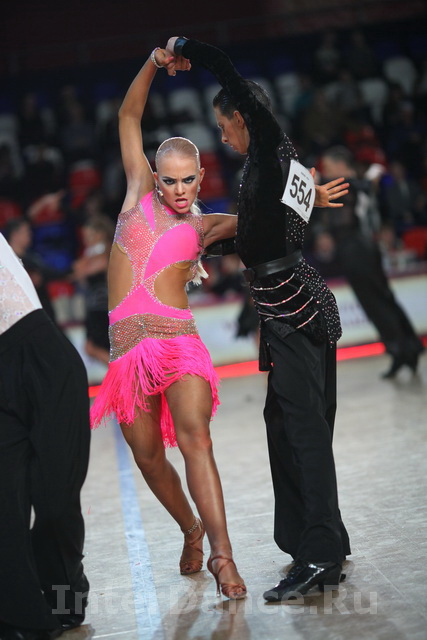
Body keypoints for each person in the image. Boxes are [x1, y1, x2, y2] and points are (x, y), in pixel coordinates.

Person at [167, 36, 351, 601]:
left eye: (225, 125)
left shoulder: (269, 145)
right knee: (290, 429)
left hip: (294, 312)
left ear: (244, 117)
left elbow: (231, 73)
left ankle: (320, 556)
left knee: (303, 434)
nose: (222, 136)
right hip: (295, 310)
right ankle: (317, 540)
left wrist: (183, 47)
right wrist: (202, 244)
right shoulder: (271, 166)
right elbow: (262, 236)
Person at [90, 47, 246, 600]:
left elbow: (265, 215)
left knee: (195, 438)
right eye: (171, 180)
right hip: (128, 355)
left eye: (189, 181)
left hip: (179, 344)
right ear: (156, 177)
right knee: (148, 456)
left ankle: (224, 556)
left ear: (201, 178)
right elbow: (128, 115)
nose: (180, 190)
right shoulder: (137, 193)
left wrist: (311, 200)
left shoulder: (206, 227)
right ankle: (191, 529)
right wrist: (153, 65)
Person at [0, 232, 90, 640]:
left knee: (55, 501)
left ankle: (65, 595)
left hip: (44, 360)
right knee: (6, 508)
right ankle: (21, 618)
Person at [318, 146, 424, 377]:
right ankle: (407, 347)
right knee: (382, 298)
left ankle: (401, 349)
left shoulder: (347, 183)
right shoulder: (352, 183)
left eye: (328, 166)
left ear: (341, 165)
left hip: (357, 249)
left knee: (375, 302)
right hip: (361, 248)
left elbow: (362, 188)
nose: (325, 171)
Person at [70, 215, 115, 365]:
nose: (85, 240)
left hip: (102, 305)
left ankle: (123, 374)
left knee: (94, 347)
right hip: (93, 305)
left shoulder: (106, 252)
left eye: (88, 235)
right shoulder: (91, 253)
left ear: (99, 234)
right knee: (93, 347)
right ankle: (121, 374)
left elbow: (81, 271)